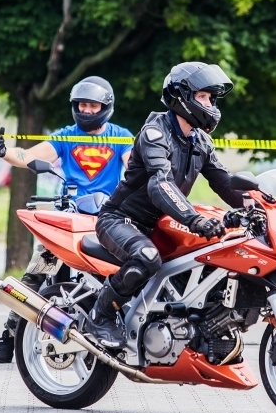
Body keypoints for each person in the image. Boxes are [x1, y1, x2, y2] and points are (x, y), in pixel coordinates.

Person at [84, 62, 245, 348]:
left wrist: (263, 205)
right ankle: (100, 315)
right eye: (203, 97)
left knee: (211, 256)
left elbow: (225, 182)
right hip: (120, 219)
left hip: (160, 224)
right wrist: (194, 219)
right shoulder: (155, 134)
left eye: (211, 98)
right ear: (182, 97)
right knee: (147, 257)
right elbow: (160, 184)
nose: (210, 105)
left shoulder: (201, 141)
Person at [0, 77, 133, 363]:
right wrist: (5, 152)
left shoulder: (121, 137)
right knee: (35, 275)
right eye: (82, 105)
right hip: (69, 218)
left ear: (105, 107)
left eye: (92, 105)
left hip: (107, 219)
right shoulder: (65, 136)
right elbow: (27, 156)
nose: (86, 110)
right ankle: (10, 336)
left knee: (121, 275)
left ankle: (113, 334)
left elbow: (134, 165)